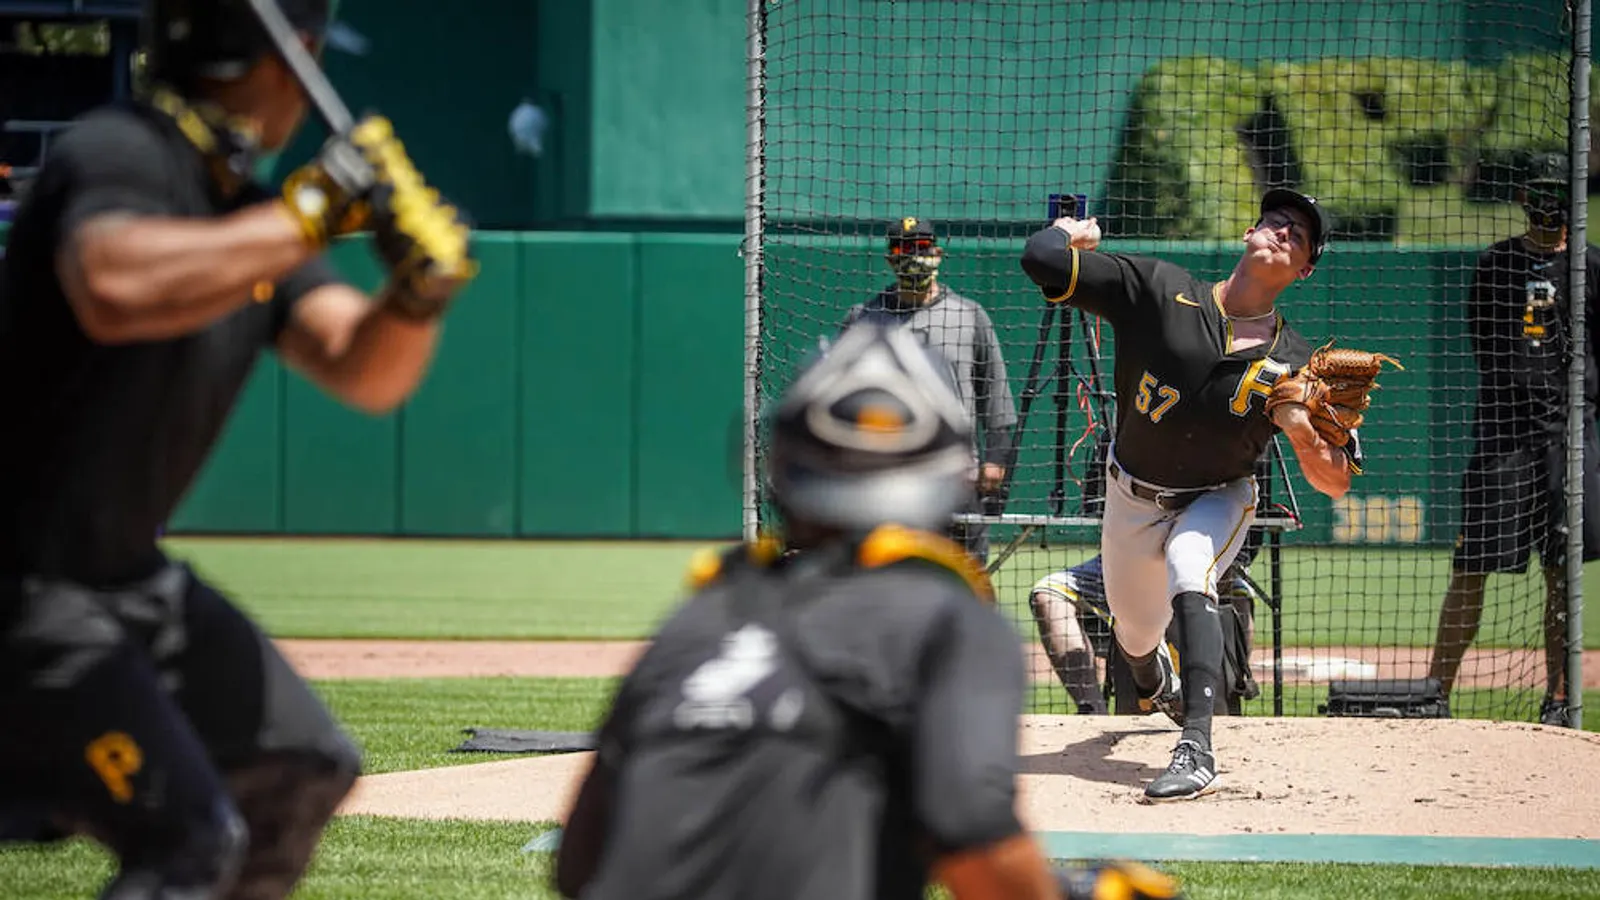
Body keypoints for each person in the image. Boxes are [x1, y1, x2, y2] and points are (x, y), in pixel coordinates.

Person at [0, 1, 475, 897]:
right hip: (24, 589)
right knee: (188, 842)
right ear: (288, 58)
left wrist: (417, 297)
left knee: (301, 765)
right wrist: (309, 210)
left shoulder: (247, 215)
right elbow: (111, 282)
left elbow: (361, 371)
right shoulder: (120, 151)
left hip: (119, 579)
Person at [553, 322, 1182, 900]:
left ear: (778, 468)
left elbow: (578, 865)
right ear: (945, 473)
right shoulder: (945, 618)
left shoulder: (701, 614)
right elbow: (972, 836)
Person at [1018, 189, 1355, 802]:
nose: (1281, 230)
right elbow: (1041, 259)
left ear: (1305, 270)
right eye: (1275, 220)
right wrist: (1072, 232)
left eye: (1298, 235)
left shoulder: (1300, 363)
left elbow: (1336, 479)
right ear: (1249, 231)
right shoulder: (1159, 288)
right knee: (1136, 637)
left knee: (1189, 562)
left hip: (1219, 495)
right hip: (1131, 496)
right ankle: (1157, 679)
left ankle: (1196, 747)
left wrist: (1304, 436)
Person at [1428, 152, 1600, 728]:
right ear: (1525, 196)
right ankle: (1435, 694)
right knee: (1470, 568)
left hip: (1567, 441)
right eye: (1541, 192)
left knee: (1561, 571)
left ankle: (1557, 701)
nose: (1550, 204)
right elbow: (1482, 338)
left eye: (1561, 192)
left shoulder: (1590, 266)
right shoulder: (1496, 264)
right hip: (1503, 439)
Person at [840, 216, 1018, 565]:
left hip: (958, 476)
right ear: (890, 258)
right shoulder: (864, 318)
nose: (913, 256)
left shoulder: (970, 315)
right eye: (903, 249)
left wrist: (996, 459)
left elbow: (995, 395)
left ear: (938, 251)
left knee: (967, 577)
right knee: (890, 575)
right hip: (886, 477)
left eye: (921, 247)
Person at [1029, 544, 1261, 717]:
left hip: (1200, 559)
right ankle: (1093, 711)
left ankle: (1230, 695)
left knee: (1239, 594)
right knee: (1048, 592)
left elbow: (1238, 555)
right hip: (1125, 559)